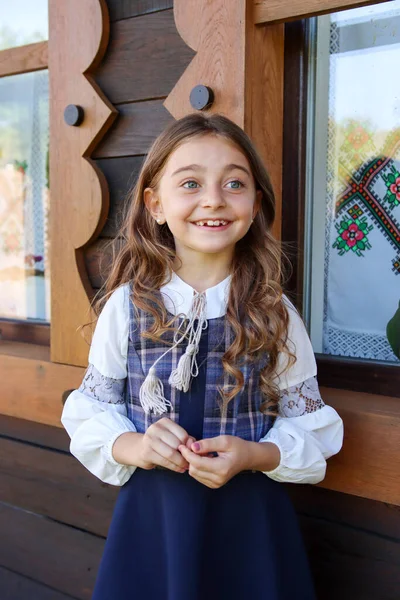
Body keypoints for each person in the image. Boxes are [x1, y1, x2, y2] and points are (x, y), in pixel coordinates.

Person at [61, 113, 343, 600]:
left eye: (234, 183)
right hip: (155, 524)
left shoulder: (274, 313)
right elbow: (91, 411)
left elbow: (310, 428)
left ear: (255, 205)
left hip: (249, 526)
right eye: (190, 182)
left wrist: (256, 454)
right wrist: (138, 446)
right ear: (156, 204)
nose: (213, 198)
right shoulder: (128, 307)